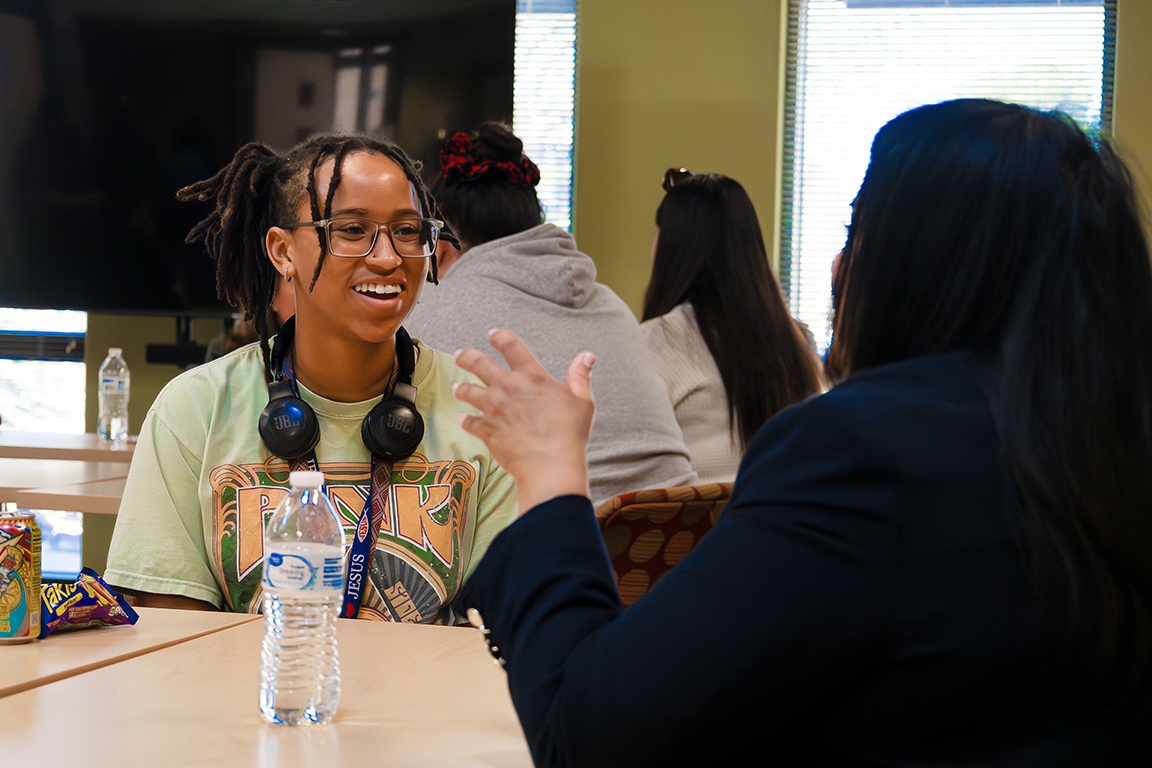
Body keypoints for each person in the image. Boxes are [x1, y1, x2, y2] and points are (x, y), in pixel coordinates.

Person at [450, 100, 1152, 765]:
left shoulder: (865, 451)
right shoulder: (1107, 448)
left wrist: (550, 473)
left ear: (915, 263)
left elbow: (590, 734)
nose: (840, 266)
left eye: (855, 232)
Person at [104, 134, 517, 624]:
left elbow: (500, 629)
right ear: (282, 251)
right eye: (351, 229)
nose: (387, 257)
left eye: (407, 230)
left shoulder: (481, 408)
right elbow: (170, 626)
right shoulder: (194, 409)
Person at [404, 122, 697, 507]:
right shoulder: (612, 305)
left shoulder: (427, 316)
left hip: (562, 542)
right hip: (678, 538)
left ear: (439, 248)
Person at [641, 171, 825, 482]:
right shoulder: (795, 341)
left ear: (668, 247)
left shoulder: (653, 342)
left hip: (695, 528)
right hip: (788, 522)